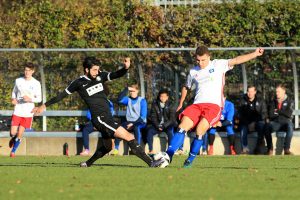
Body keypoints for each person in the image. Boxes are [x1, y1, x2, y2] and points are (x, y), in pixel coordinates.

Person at [32, 57, 163, 168]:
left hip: (107, 117)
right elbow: (61, 95)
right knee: (129, 136)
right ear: (86, 70)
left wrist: (126, 68)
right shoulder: (78, 83)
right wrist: (44, 105)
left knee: (108, 146)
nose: (97, 72)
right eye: (94, 69)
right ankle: (151, 163)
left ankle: (87, 164)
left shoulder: (100, 76)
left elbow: (116, 74)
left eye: (97, 69)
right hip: (100, 118)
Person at [163, 46, 264, 168]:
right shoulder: (193, 72)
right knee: (182, 126)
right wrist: (181, 103)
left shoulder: (218, 65)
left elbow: (237, 60)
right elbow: (186, 87)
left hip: (213, 106)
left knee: (200, 130)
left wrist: (254, 54)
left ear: (209, 57)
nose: (200, 63)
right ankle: (168, 156)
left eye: (203, 60)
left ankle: (190, 158)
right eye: (198, 60)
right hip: (196, 105)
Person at [9, 63, 42, 157]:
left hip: (28, 112)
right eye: (25, 70)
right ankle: (13, 138)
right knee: (12, 132)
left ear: (33, 71)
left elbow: (39, 98)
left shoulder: (36, 83)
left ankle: (13, 151)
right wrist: (13, 99)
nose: (27, 72)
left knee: (20, 133)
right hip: (18, 109)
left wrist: (30, 99)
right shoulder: (18, 81)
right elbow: (14, 92)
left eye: (29, 70)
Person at [112, 84, 147, 155]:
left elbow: (143, 116)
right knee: (119, 129)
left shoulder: (142, 100)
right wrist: (126, 89)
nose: (131, 93)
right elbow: (119, 99)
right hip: (129, 122)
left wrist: (133, 124)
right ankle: (116, 149)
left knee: (136, 128)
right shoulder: (128, 100)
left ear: (137, 91)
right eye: (130, 91)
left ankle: (137, 149)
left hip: (140, 122)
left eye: (133, 91)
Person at [265, 84, 294, 155]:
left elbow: (289, 114)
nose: (276, 93)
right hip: (276, 123)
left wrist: (278, 111)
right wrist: (282, 112)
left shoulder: (289, 101)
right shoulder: (273, 102)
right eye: (276, 92)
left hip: (285, 123)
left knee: (290, 126)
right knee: (267, 127)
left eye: (278, 92)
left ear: (284, 92)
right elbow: (271, 115)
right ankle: (270, 149)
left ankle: (286, 149)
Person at [238, 85, 267, 154]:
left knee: (261, 126)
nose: (250, 93)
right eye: (248, 91)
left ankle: (258, 148)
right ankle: (245, 149)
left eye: (251, 91)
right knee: (243, 129)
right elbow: (239, 113)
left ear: (255, 92)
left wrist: (257, 120)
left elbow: (264, 113)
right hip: (246, 123)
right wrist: (245, 120)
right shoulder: (243, 100)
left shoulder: (260, 100)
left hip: (257, 122)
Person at [146, 89, 177, 155]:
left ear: (167, 97)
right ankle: (151, 150)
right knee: (150, 131)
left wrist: (164, 126)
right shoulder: (155, 104)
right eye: (161, 96)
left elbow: (172, 119)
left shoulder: (172, 104)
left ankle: (170, 151)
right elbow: (153, 117)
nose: (162, 98)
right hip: (157, 125)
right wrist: (158, 125)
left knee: (170, 132)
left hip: (168, 125)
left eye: (164, 96)